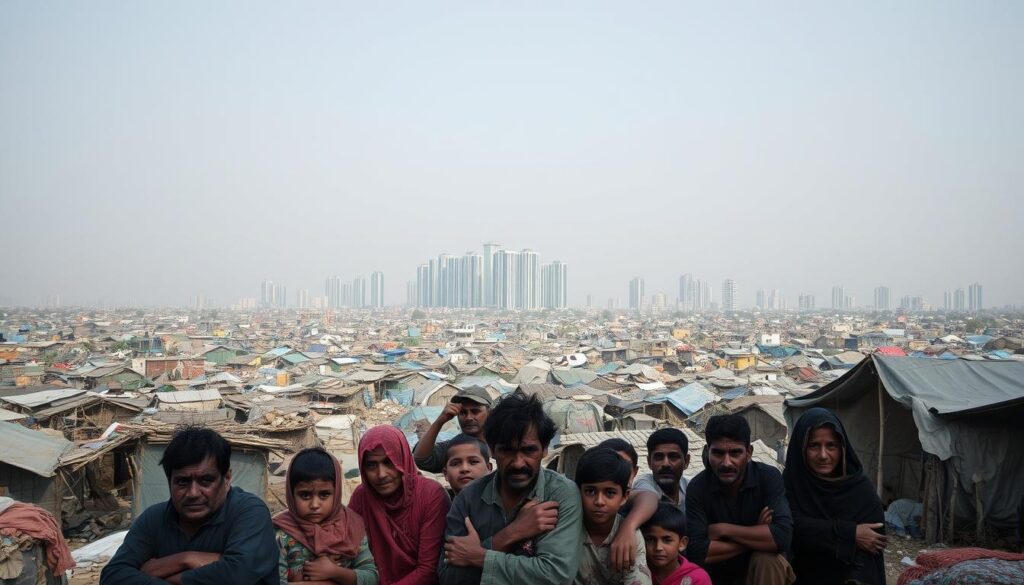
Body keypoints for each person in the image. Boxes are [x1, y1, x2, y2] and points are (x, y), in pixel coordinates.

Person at [100, 427, 279, 585]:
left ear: (227, 479)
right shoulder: (153, 519)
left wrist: (173, 567)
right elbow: (113, 576)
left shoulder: (249, 512)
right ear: (169, 481)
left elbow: (239, 574)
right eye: (182, 482)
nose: (193, 493)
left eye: (206, 481)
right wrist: (187, 560)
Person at [438, 391, 582, 585]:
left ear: (545, 448)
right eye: (507, 450)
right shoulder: (468, 499)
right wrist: (510, 534)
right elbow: (449, 577)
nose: (518, 463)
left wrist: (478, 556)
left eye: (528, 450)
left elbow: (555, 575)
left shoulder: (560, 494)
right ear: (491, 449)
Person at [685, 415, 794, 585]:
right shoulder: (698, 487)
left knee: (768, 559)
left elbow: (781, 537)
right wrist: (756, 533)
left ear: (749, 452)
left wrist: (723, 530)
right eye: (718, 453)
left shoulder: (768, 477)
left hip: (758, 573)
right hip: (717, 576)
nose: (727, 462)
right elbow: (697, 551)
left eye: (735, 453)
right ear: (708, 452)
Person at [783, 408, 887, 585]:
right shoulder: (790, 484)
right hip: (801, 573)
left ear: (842, 448)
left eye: (831, 445)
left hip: (848, 574)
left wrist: (820, 535)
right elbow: (789, 526)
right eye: (814, 445)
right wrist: (850, 533)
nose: (823, 455)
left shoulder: (859, 488)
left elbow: (874, 540)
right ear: (801, 448)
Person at [349, 425, 450, 585]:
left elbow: (427, 570)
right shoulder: (362, 497)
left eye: (389, 462)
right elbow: (349, 552)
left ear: (403, 459)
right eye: (371, 465)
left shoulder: (431, 495)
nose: (381, 474)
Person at [273, 448, 378, 585]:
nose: (315, 504)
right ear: (291, 494)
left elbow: (372, 577)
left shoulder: (351, 526)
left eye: (324, 494)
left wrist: (335, 572)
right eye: (305, 495)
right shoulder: (281, 532)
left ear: (337, 492)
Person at [611, 428, 691, 573]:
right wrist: (628, 527)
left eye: (673, 457)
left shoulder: (691, 487)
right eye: (659, 457)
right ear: (649, 461)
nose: (666, 463)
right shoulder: (644, 484)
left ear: (686, 461)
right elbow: (647, 497)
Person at [573, 447, 651, 585]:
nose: (599, 501)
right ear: (578, 491)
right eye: (590, 491)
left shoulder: (632, 538)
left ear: (624, 496)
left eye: (609, 493)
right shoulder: (566, 528)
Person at [413, 386, 492, 473]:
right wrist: (440, 421)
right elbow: (422, 460)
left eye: (475, 411)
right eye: (462, 412)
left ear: (489, 413)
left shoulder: (501, 444)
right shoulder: (452, 448)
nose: (468, 418)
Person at [642, 503, 711, 585]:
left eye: (667, 540)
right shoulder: (637, 571)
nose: (658, 547)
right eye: (650, 540)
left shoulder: (697, 578)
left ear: (682, 543)